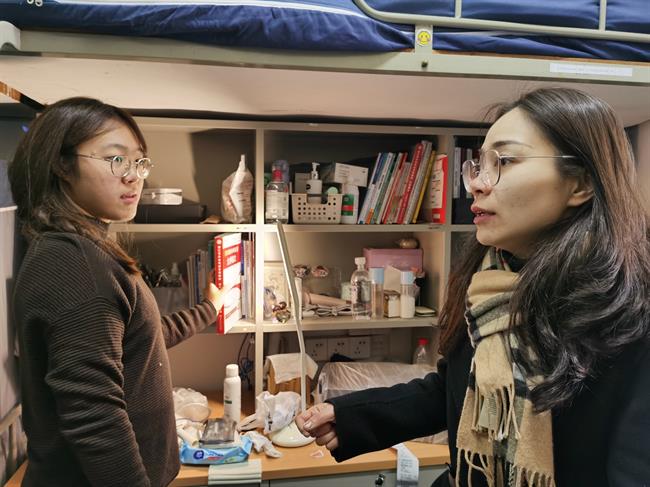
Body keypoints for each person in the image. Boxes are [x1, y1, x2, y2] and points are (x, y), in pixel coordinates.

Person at [296, 88, 649, 486]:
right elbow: (454, 390)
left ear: (580, 184)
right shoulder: (489, 284)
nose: (477, 184)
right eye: (479, 166)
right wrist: (350, 416)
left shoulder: (631, 310)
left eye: (505, 161)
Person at [9, 97, 226, 487]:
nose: (134, 176)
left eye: (139, 162)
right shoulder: (74, 263)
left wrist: (210, 307)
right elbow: (95, 418)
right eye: (116, 159)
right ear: (62, 165)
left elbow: (140, 337)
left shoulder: (85, 250)